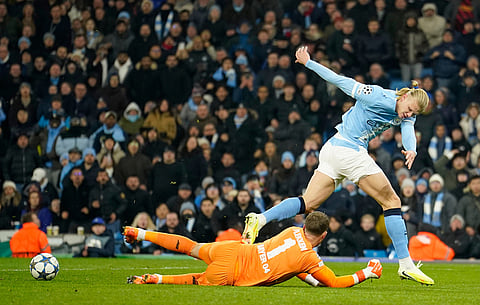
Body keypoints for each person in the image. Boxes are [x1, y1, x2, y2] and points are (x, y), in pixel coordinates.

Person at [243, 46, 434, 285]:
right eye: (408, 110)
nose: (408, 115)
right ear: (403, 97)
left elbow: (408, 129)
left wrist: (412, 148)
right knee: (392, 202)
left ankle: (259, 219)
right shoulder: (375, 94)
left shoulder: (408, 112)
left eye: (413, 114)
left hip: (333, 149)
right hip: (348, 149)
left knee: (308, 203)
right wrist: (309, 63)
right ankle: (405, 265)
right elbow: (340, 80)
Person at [125, 211, 382, 287]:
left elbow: (290, 264)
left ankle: (140, 232)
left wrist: (311, 280)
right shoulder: (309, 259)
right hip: (233, 274)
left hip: (233, 250)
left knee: (190, 246)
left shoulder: (291, 231)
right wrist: (367, 273)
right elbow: (335, 282)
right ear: (324, 235)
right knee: (196, 280)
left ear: (304, 225)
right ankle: (156, 280)